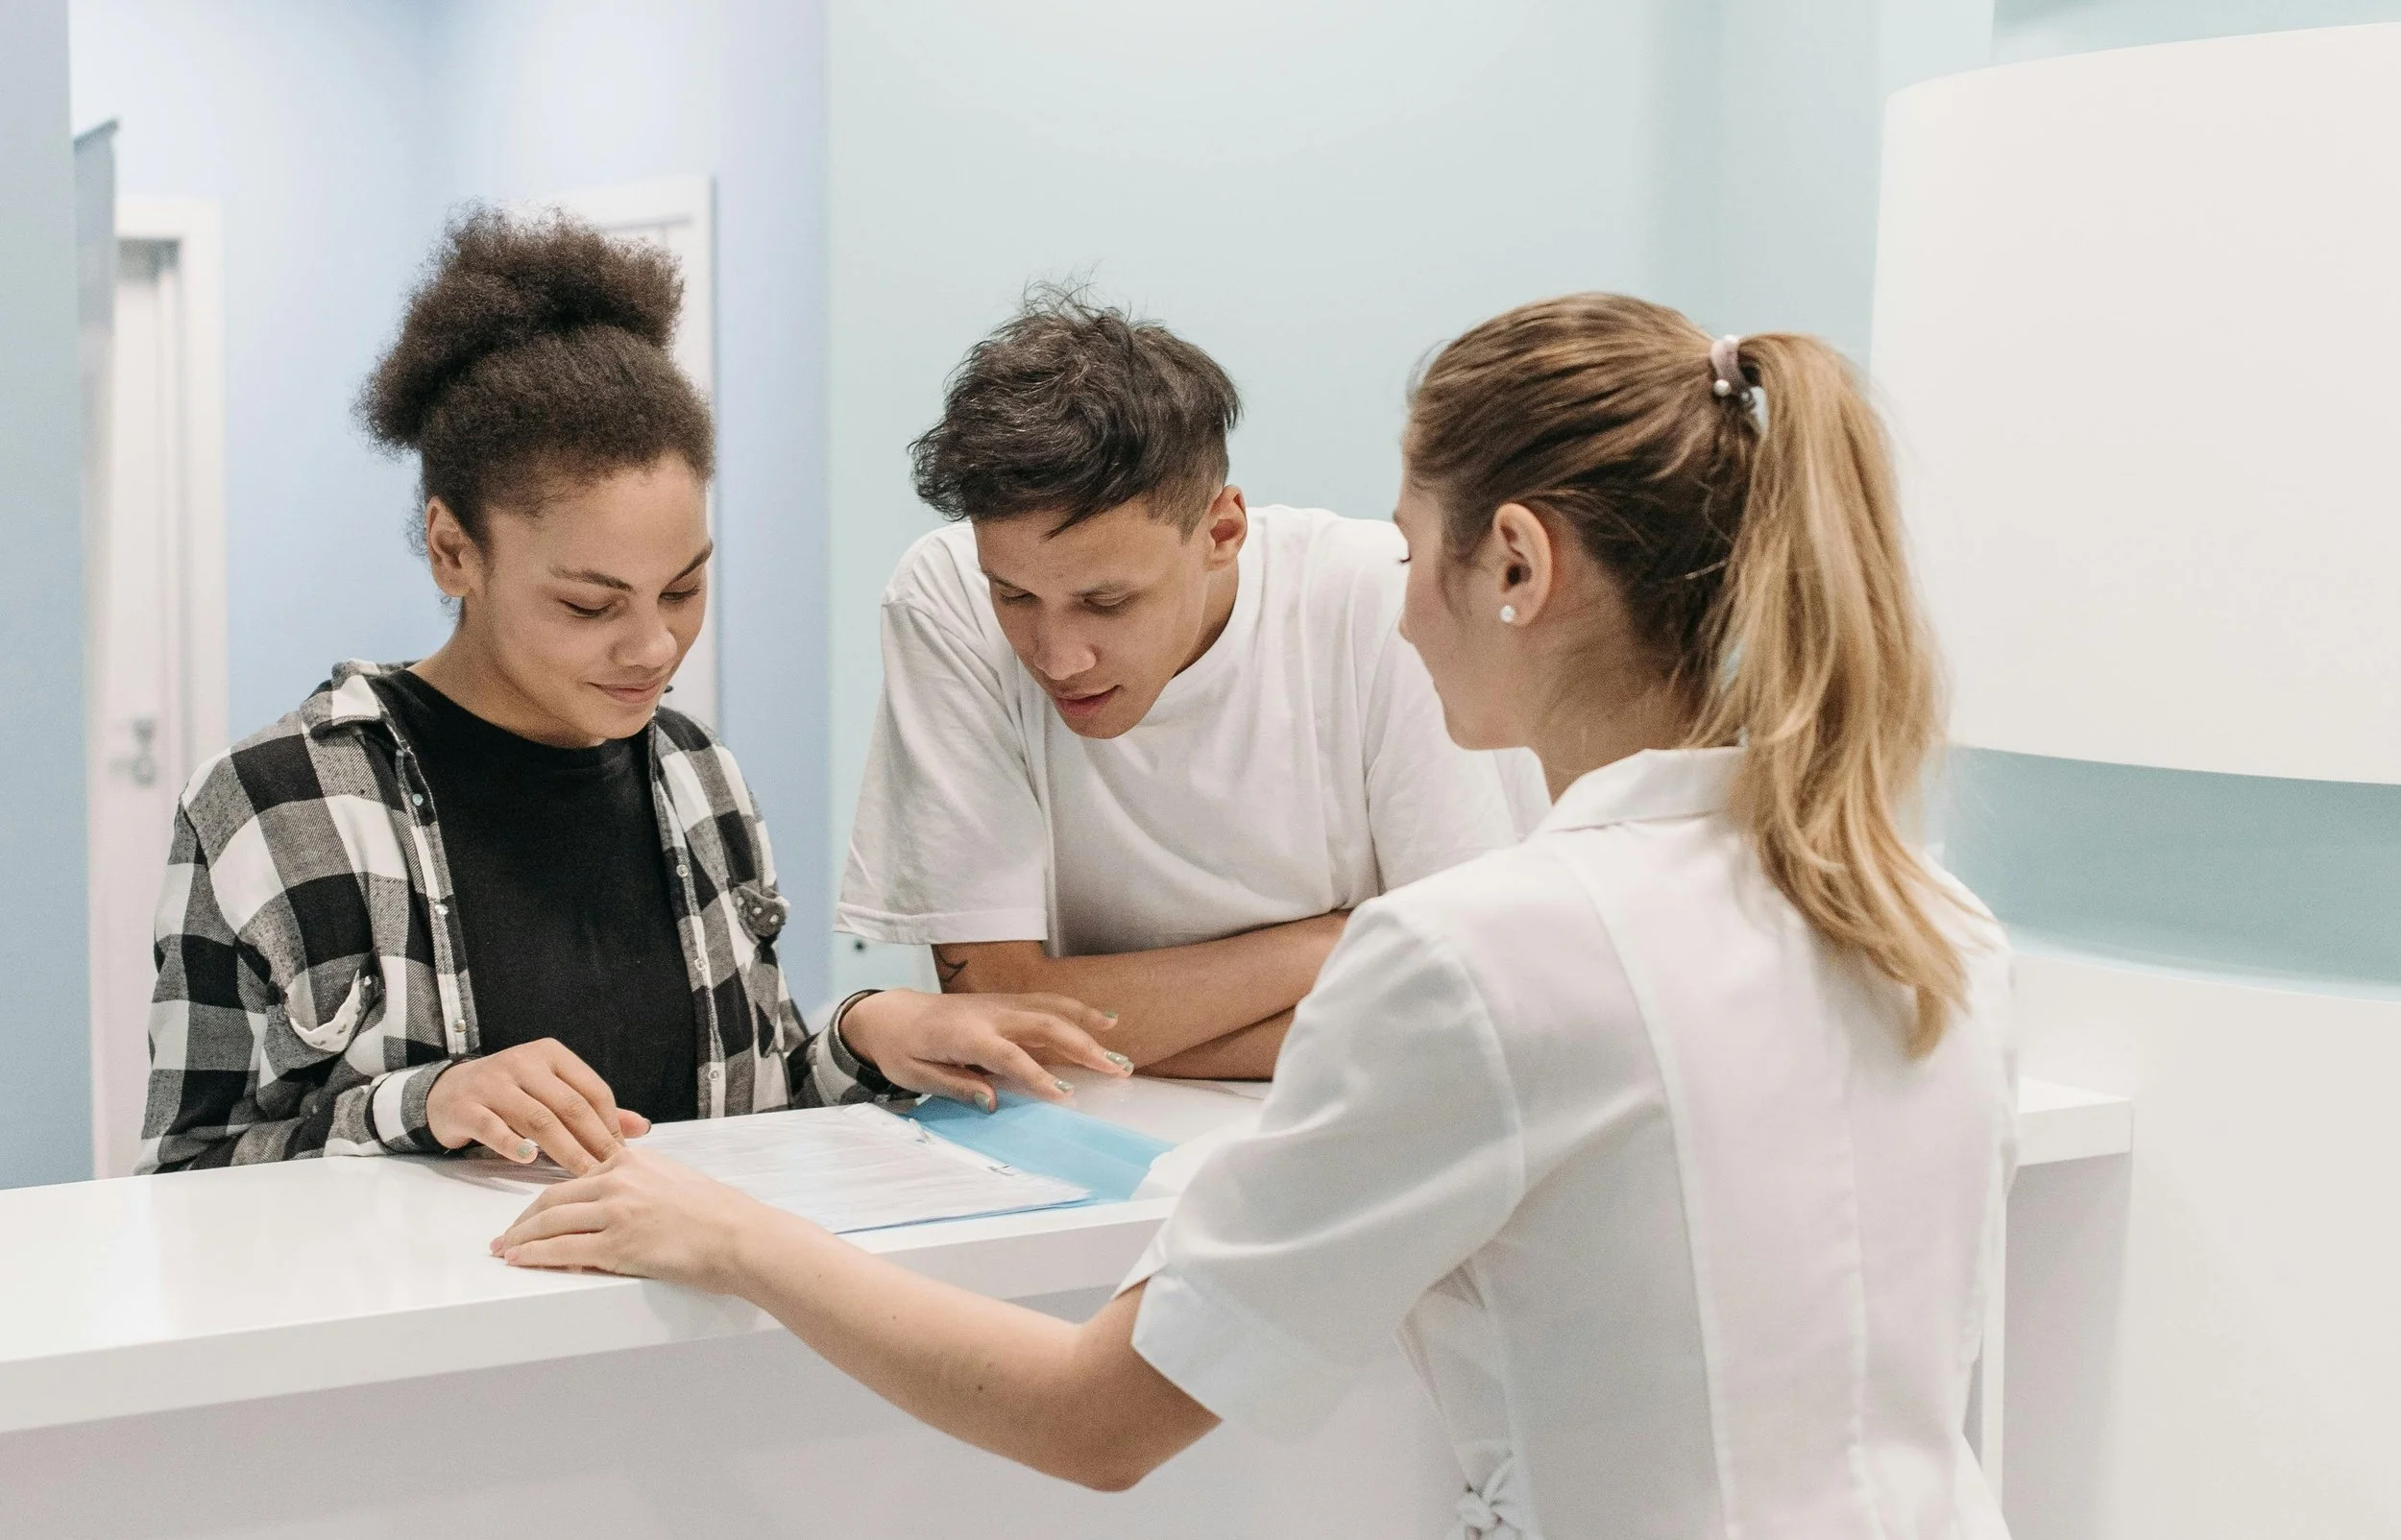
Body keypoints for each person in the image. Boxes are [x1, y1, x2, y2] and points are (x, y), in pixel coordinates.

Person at [494, 294, 2018, 1538]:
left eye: (1416, 555)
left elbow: (1097, 1420)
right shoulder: (1930, 917)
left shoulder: (1479, 960)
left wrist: (741, 1239)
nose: (1397, 605)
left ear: (1518, 567)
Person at [139, 211, 1123, 1174]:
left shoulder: (697, 773)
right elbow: (186, 1174)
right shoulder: (270, 805)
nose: (654, 646)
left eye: (685, 588)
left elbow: (742, 1101)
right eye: (587, 604)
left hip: (684, 1334)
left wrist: (864, 1034)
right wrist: (427, 1103)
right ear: (452, 550)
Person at [838, 289, 1545, 1077]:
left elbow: (1463, 989)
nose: (1059, 655)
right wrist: (1346, 938)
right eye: (1016, 596)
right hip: (1075, 1150)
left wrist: (1129, 1037)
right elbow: (1003, 1005)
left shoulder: (1380, 595)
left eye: (1107, 602)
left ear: (1221, 533)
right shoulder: (943, 597)